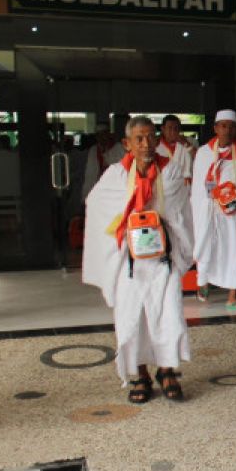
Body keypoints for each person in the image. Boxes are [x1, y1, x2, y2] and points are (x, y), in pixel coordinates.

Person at [82, 115, 193, 403]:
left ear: (157, 140)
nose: (145, 144)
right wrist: (128, 220)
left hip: (161, 260)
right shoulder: (116, 175)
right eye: (139, 139)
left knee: (169, 315)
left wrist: (155, 220)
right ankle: (141, 374)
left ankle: (167, 370)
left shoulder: (169, 173)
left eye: (150, 138)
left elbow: (180, 214)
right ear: (127, 144)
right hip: (129, 263)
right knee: (131, 319)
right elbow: (96, 204)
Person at [190, 109, 236, 311]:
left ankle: (233, 295)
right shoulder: (204, 153)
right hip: (207, 210)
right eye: (223, 126)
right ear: (216, 128)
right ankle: (203, 283)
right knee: (205, 246)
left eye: (231, 126)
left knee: (235, 250)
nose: (227, 130)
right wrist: (208, 200)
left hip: (233, 211)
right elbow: (198, 185)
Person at [81, 123, 126, 200]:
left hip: (117, 190)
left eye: (104, 134)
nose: (102, 138)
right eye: (99, 135)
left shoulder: (119, 148)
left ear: (108, 134)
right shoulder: (94, 150)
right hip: (99, 190)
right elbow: (90, 174)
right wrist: (85, 196)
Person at [157, 114, 195, 185]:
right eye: (170, 128)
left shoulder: (190, 141)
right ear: (163, 129)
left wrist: (185, 143)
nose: (173, 131)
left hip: (185, 187)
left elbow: (199, 158)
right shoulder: (155, 145)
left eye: (176, 128)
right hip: (163, 188)